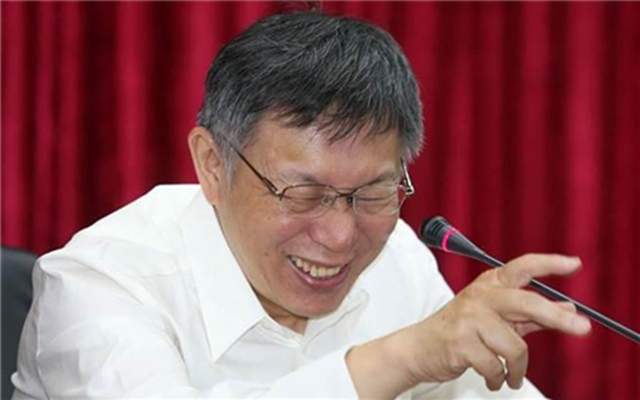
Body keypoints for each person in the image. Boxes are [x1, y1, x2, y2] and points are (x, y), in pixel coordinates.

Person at [12, 10, 591, 399]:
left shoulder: (396, 259)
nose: (340, 236)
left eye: (372, 192)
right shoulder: (98, 284)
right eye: (304, 194)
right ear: (212, 164)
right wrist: (402, 358)